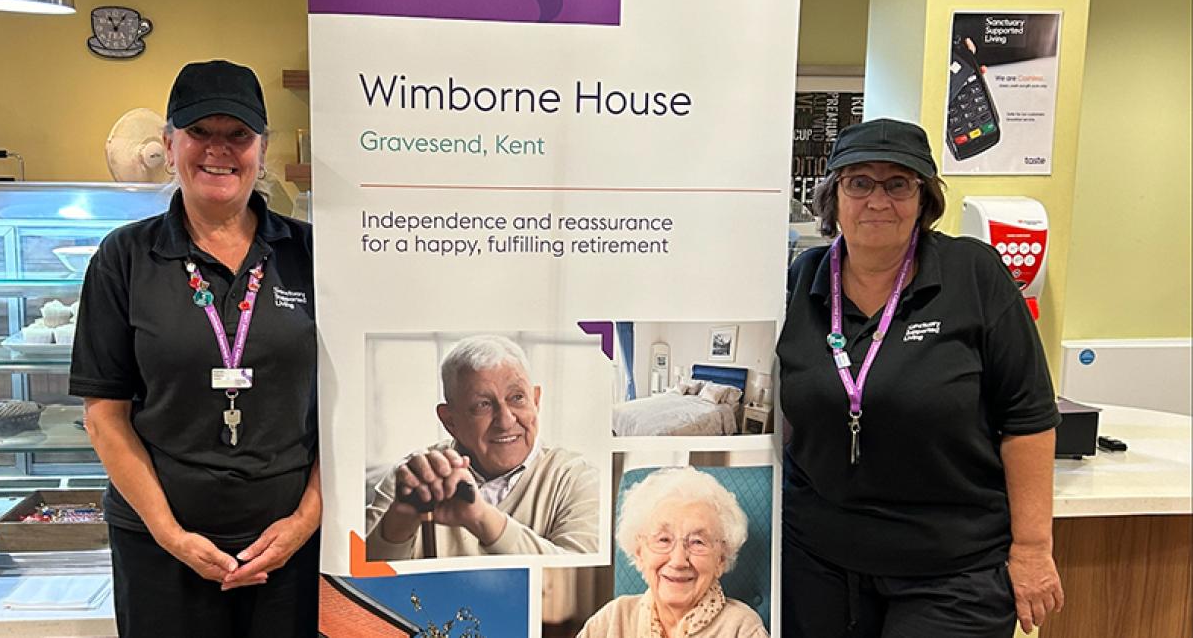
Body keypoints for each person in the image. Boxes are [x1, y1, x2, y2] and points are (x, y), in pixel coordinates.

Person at [778, 118, 1064, 637]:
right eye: (859, 181)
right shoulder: (804, 280)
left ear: (924, 199)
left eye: (898, 183)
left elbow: (1028, 418)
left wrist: (1032, 549)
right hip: (819, 562)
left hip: (952, 570)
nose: (877, 200)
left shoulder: (973, 275)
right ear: (833, 196)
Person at [70, 60, 320, 638]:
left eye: (238, 135)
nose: (219, 150)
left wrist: (306, 521)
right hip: (160, 548)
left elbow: (347, 402)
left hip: (291, 546)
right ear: (168, 143)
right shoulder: (125, 258)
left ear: (261, 147)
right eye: (199, 132)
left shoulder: (308, 254)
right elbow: (105, 415)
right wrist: (169, 533)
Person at [365, 335, 598, 559]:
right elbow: (356, 582)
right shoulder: (415, 475)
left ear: (536, 401)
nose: (506, 420)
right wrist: (399, 523)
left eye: (517, 398)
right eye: (483, 405)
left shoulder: (577, 477)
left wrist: (481, 517)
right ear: (450, 421)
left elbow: (579, 573)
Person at [578, 467, 768, 638]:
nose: (678, 561)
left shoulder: (742, 629)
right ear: (639, 553)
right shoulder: (612, 620)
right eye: (663, 540)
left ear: (721, 559)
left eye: (697, 542)